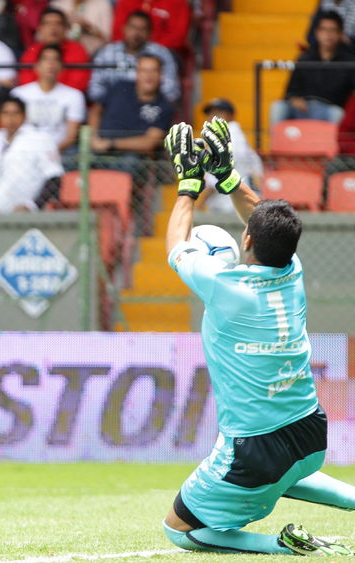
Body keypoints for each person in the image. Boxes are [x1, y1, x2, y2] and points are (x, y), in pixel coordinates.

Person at [161, 117, 355, 556]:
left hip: (253, 451)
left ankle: (284, 546)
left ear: (246, 238)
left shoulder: (223, 285)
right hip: (310, 434)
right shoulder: (292, 272)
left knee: (179, 530)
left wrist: (189, 186)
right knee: (285, 472)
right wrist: (229, 177)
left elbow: (176, 244)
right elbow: (268, 222)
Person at [89, 54, 173, 173]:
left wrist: (110, 144)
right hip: (97, 146)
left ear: (161, 75)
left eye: (153, 71)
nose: (148, 75)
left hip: (130, 156)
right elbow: (95, 111)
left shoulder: (165, 107)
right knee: (73, 155)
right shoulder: (120, 87)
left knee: (130, 163)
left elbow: (149, 142)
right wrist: (93, 136)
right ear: (137, 73)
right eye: (144, 70)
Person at [0, 97, 63, 213]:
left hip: (26, 214)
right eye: (5, 113)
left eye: (15, 113)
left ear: (24, 116)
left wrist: (32, 206)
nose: (10, 118)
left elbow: (54, 178)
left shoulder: (40, 139)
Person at [270, 11, 355, 125]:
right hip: (303, 109)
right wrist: (295, 99)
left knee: (337, 114)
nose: (328, 34)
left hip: (330, 110)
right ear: (317, 32)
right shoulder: (305, 58)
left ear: (340, 34)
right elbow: (290, 91)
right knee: (278, 107)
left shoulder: (349, 62)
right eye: (324, 29)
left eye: (332, 30)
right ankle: (275, 138)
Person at [88, 10, 180, 105]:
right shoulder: (106, 52)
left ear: (150, 33)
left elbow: (171, 91)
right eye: (133, 27)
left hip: (150, 107)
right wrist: (115, 101)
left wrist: (147, 99)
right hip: (114, 107)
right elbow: (94, 89)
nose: (137, 33)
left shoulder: (161, 54)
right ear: (124, 29)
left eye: (142, 29)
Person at [11, 44, 85, 153]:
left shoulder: (74, 95)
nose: (51, 64)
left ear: (62, 67)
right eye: (46, 59)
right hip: (24, 151)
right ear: (37, 66)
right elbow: (11, 128)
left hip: (59, 153)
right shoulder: (19, 94)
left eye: (55, 60)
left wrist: (50, 153)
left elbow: (71, 136)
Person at [198, 98, 263, 213]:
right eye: (210, 113)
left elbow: (215, 180)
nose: (211, 117)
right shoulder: (239, 137)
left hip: (227, 206)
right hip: (240, 203)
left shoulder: (226, 138)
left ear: (230, 115)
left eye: (218, 113)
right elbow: (258, 171)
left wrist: (199, 205)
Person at [17, 7, 91, 94]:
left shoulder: (77, 50)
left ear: (66, 28)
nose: (53, 28)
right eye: (47, 23)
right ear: (39, 28)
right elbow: (25, 81)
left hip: (67, 97)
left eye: (58, 24)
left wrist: (54, 94)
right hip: (35, 98)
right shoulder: (32, 51)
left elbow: (79, 82)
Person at [111, 0, 191, 51]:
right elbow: (118, 32)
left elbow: (178, 37)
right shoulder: (126, 2)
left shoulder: (177, 2)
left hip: (164, 50)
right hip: (128, 48)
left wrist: (152, 48)